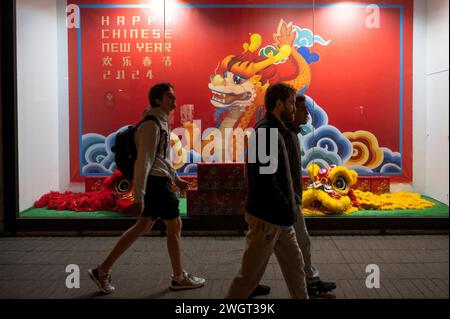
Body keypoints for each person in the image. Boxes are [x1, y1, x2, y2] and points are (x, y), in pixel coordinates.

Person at [88, 83, 206, 294]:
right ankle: (179, 277)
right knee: (174, 224)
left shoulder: (159, 123)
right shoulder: (151, 126)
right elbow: (143, 162)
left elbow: (159, 159)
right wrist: (139, 196)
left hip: (158, 180)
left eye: (174, 95)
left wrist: (176, 178)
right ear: (158, 100)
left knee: (143, 225)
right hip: (156, 183)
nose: (175, 100)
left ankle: (102, 270)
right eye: (170, 96)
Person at [226, 83, 309, 299]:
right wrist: (285, 208)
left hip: (281, 219)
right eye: (291, 103)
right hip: (268, 219)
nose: (294, 108)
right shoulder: (266, 132)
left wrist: (287, 211)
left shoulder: (276, 130)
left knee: (296, 267)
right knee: (248, 278)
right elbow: (265, 181)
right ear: (279, 103)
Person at [251, 95, 337, 297]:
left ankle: (251, 284)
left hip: (284, 201)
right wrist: (285, 200)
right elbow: (268, 173)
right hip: (281, 202)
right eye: (296, 106)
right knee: (287, 244)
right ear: (280, 104)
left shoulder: (288, 133)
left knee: (262, 247)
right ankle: (309, 282)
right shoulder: (275, 132)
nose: (305, 113)